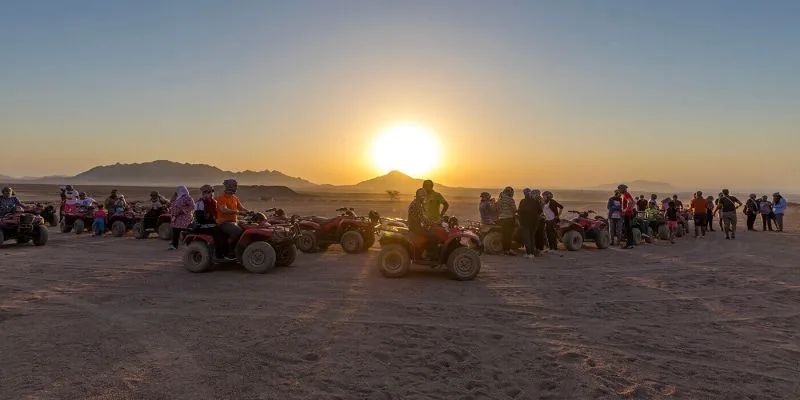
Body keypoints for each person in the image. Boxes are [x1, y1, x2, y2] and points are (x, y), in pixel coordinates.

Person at [216, 179, 249, 258]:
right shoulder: (221, 198)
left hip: (234, 221)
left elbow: (241, 208)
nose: (236, 188)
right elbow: (223, 209)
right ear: (229, 186)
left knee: (247, 229)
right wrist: (237, 212)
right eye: (234, 186)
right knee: (238, 231)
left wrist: (250, 212)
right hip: (224, 222)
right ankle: (230, 250)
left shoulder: (235, 198)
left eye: (236, 186)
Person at [407, 188, 440, 258]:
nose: (425, 198)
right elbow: (422, 218)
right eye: (424, 196)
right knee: (434, 236)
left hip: (415, 226)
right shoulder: (417, 204)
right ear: (421, 196)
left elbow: (424, 216)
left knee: (431, 233)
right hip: (415, 227)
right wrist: (432, 223)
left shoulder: (416, 202)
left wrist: (431, 220)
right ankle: (429, 254)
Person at [518, 188, 543, 259]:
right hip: (534, 222)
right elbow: (540, 211)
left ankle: (529, 253)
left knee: (527, 238)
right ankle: (532, 253)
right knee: (532, 237)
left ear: (524, 194)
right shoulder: (536, 202)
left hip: (524, 222)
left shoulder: (522, 201)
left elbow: (519, 211)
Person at [169, 185, 195, 250]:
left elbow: (192, 206)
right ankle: (174, 245)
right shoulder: (178, 197)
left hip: (184, 217)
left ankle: (189, 244)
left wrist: (183, 210)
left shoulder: (188, 197)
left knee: (185, 230)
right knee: (175, 230)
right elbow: (171, 202)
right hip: (177, 217)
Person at [497, 187, 517, 256]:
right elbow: (514, 210)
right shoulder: (510, 199)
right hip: (509, 219)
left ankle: (504, 250)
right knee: (509, 236)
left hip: (501, 219)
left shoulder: (500, 199)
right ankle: (508, 250)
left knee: (504, 235)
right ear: (509, 192)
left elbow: (498, 209)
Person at [619, 184, 636, 249]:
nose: (619, 190)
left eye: (620, 189)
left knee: (628, 229)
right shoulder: (624, 194)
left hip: (627, 214)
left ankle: (629, 244)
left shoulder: (626, 194)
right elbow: (633, 202)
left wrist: (625, 210)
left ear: (623, 189)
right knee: (628, 229)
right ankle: (629, 244)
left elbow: (630, 202)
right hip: (628, 214)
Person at [530, 189, 547, 254]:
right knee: (538, 234)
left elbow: (538, 210)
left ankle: (539, 249)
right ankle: (538, 248)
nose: (532, 195)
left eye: (533, 194)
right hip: (539, 218)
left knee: (539, 234)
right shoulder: (540, 199)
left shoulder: (538, 200)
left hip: (539, 219)